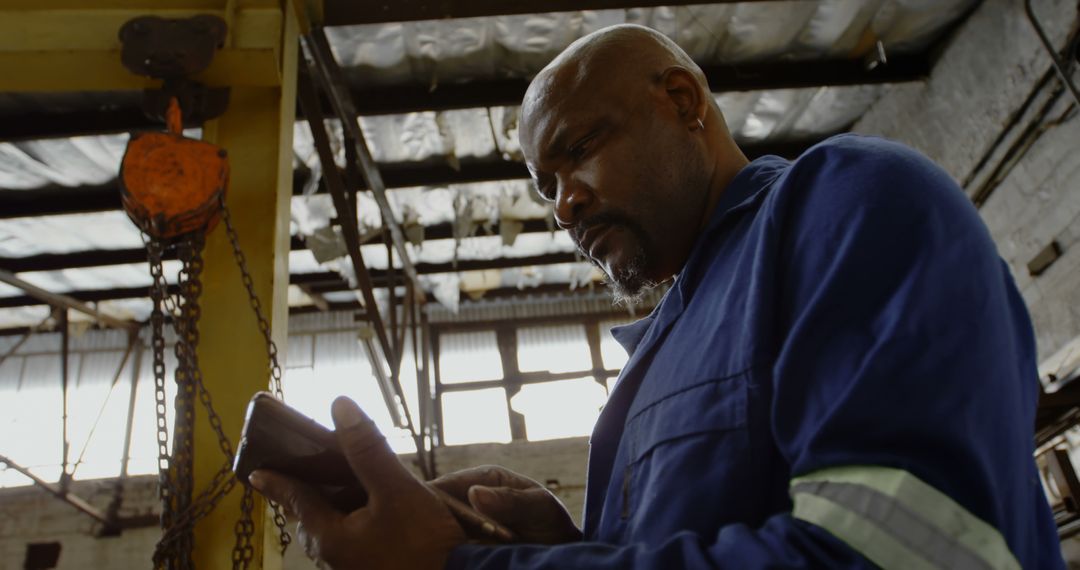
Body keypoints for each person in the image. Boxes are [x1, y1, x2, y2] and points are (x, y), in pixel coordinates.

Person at [249, 24, 1065, 569]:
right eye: (545, 186)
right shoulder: (652, 368)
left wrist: (463, 565)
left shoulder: (849, 202)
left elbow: (908, 554)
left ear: (682, 102)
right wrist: (562, 541)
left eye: (580, 150)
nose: (564, 202)